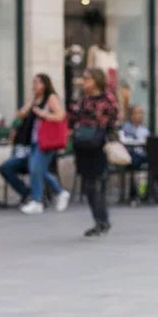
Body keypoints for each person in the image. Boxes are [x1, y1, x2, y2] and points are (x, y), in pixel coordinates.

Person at [0, 73, 71, 213]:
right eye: (34, 83)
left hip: (45, 141)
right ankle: (60, 193)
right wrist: (31, 102)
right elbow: (20, 115)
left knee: (36, 169)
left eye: (38, 82)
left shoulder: (51, 98)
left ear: (45, 84)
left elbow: (60, 116)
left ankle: (37, 201)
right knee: (37, 170)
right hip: (32, 142)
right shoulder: (35, 100)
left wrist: (43, 114)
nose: (35, 86)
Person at [70, 68, 119, 237]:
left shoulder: (108, 99)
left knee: (97, 184)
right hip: (83, 144)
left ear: (96, 81)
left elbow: (107, 120)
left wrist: (88, 120)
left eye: (87, 79)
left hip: (99, 145)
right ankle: (99, 220)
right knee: (89, 185)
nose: (84, 83)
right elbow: (73, 117)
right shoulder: (83, 100)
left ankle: (101, 221)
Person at [119, 104, 151, 171]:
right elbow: (123, 140)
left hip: (142, 155)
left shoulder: (145, 131)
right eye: (136, 113)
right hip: (129, 155)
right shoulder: (125, 128)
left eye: (141, 113)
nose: (139, 115)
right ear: (131, 115)